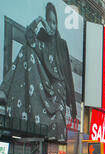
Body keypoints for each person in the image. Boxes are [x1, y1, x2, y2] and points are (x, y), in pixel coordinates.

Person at [0, 2, 77, 141]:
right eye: (48, 21)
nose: (51, 25)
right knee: (27, 49)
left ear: (57, 23)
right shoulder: (42, 41)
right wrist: (39, 19)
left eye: (54, 22)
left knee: (28, 49)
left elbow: (68, 76)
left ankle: (4, 89)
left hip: (57, 90)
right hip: (43, 83)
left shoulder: (61, 44)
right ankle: (4, 91)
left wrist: (73, 109)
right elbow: (29, 36)